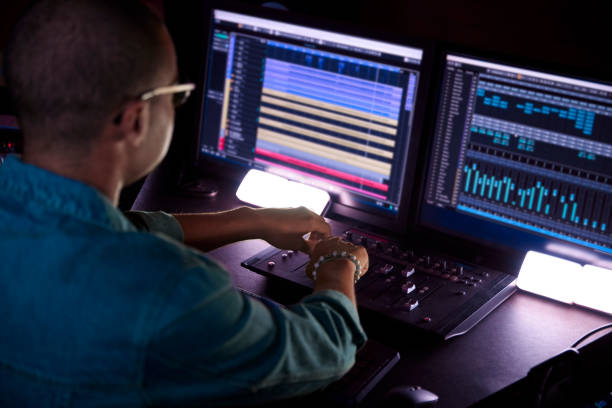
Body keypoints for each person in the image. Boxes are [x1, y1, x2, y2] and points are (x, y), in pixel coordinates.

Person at [0, 0, 369, 406]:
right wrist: (338, 263)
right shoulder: (163, 286)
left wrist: (248, 220)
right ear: (135, 119)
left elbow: (104, 229)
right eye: (177, 95)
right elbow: (324, 351)